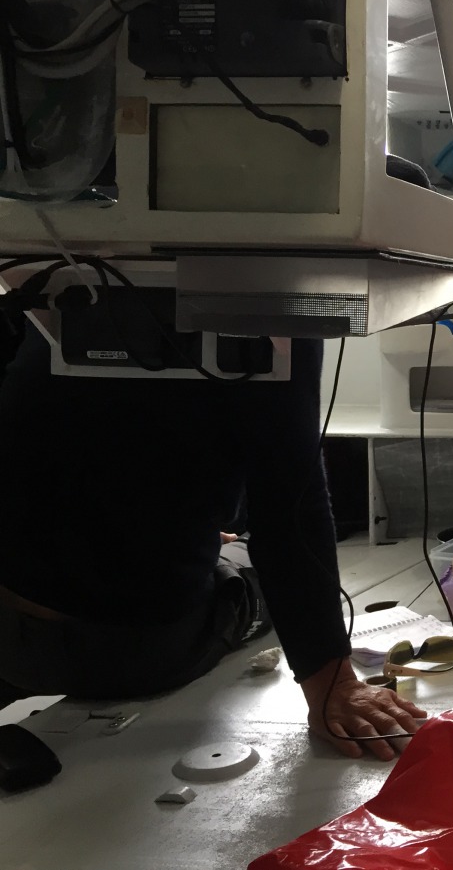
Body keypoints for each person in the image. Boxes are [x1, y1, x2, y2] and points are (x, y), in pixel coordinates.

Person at [0, 323, 424, 760]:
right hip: (138, 652)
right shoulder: (271, 313)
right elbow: (290, 508)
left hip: (11, 637)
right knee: (247, 557)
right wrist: (334, 685)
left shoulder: (40, 302)